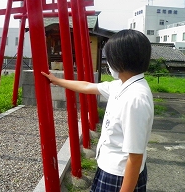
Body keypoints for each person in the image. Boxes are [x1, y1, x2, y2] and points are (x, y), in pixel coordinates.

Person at [41, 29, 154, 192]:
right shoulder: (121, 85)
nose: (108, 62)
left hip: (120, 176)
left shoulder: (135, 98)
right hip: (109, 167)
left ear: (120, 59)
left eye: (109, 58)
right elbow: (87, 86)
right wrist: (57, 80)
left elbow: (135, 157)